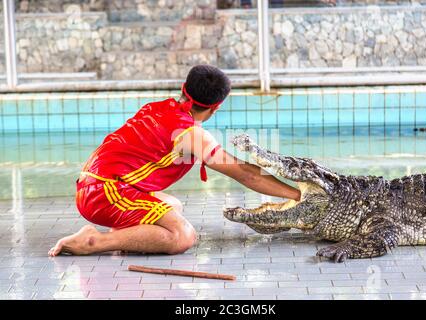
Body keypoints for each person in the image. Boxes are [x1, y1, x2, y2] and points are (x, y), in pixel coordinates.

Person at [48, 65, 301, 257]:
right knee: (182, 236)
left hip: (94, 184)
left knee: (173, 204)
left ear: (183, 88)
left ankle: (125, 234)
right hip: (103, 194)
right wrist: (298, 194)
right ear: (216, 107)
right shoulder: (191, 135)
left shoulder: (156, 107)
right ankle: (94, 241)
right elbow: (247, 175)